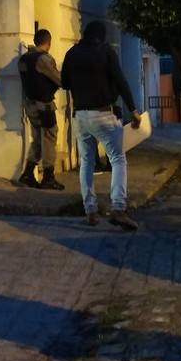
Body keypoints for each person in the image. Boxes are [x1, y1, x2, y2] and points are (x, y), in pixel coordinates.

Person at [61, 20, 142, 230]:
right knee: (117, 159)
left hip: (80, 115)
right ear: (101, 35)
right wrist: (133, 110)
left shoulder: (71, 53)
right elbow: (121, 81)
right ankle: (118, 208)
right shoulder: (106, 52)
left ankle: (90, 210)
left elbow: (65, 83)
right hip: (104, 113)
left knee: (87, 162)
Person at [17, 29, 65, 190]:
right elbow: (59, 80)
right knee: (49, 138)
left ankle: (28, 174)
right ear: (48, 42)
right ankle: (48, 177)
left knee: (37, 138)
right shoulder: (43, 59)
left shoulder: (24, 59)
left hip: (29, 104)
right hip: (43, 105)